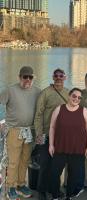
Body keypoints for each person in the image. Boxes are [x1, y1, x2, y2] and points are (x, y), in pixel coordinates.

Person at [0, 66, 41, 200]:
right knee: (13, 161)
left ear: (33, 78)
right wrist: (1, 122)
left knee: (25, 160)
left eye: (30, 77)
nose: (27, 79)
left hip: (30, 131)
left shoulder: (37, 92)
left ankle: (21, 185)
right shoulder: (10, 90)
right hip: (14, 131)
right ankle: (11, 187)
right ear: (20, 77)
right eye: (25, 77)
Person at [48, 88, 87, 200]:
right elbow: (52, 127)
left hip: (77, 149)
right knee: (54, 174)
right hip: (60, 148)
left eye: (79, 97)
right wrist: (51, 145)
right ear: (69, 96)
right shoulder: (59, 109)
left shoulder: (84, 111)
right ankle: (55, 195)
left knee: (73, 176)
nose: (76, 99)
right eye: (74, 96)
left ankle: (69, 196)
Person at [34, 68, 69, 200]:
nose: (58, 78)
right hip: (46, 135)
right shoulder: (45, 93)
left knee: (57, 166)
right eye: (56, 76)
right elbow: (38, 115)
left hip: (61, 137)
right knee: (45, 164)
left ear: (65, 78)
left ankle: (54, 189)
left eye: (61, 76)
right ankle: (41, 191)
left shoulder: (68, 93)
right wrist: (39, 134)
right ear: (53, 77)